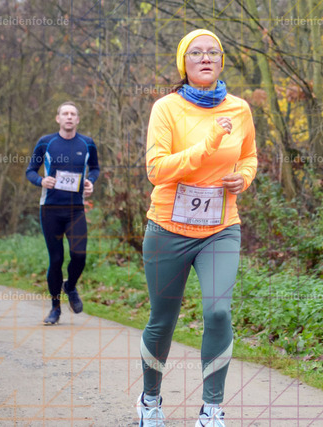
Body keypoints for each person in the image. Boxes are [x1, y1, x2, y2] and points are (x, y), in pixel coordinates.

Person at [136, 29, 257, 427]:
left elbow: (250, 156)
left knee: (218, 311)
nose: (206, 58)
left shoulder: (240, 109)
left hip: (220, 228)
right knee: (162, 320)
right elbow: (157, 170)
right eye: (196, 53)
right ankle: (150, 400)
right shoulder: (166, 108)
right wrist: (208, 145)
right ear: (183, 64)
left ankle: (211, 408)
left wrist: (243, 177)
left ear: (221, 61)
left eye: (213, 52)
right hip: (167, 229)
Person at [26, 101, 100, 325]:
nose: (69, 117)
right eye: (65, 113)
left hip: (75, 210)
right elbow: (30, 171)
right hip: (50, 209)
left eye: (72, 114)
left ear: (77, 119)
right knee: (56, 259)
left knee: (79, 255)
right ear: (58, 118)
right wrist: (41, 181)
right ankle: (55, 308)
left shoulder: (87, 143)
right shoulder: (46, 142)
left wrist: (90, 181)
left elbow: (95, 168)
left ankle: (70, 286)